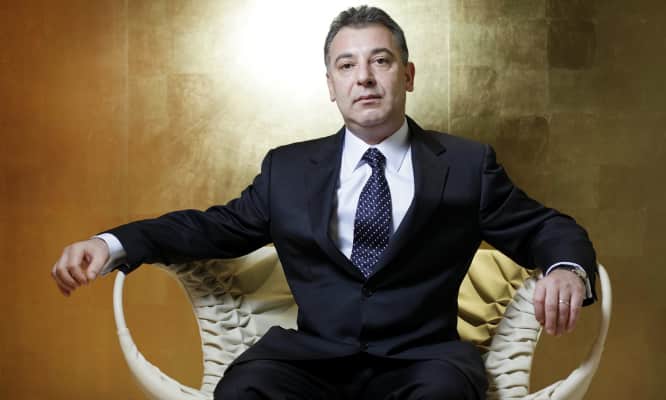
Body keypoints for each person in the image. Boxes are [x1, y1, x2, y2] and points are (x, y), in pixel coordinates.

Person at [51, 6, 597, 400]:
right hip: (311, 360)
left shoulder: (465, 165)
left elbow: (545, 227)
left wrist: (567, 269)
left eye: (381, 61)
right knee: (243, 388)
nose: (365, 78)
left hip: (423, 362)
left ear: (407, 75)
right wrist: (111, 243)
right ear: (330, 85)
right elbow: (210, 228)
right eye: (346, 66)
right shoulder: (288, 169)